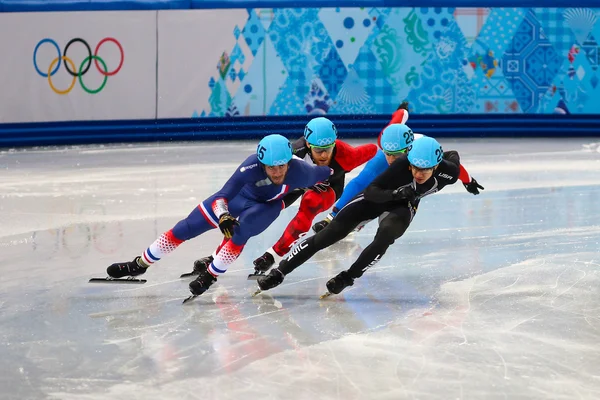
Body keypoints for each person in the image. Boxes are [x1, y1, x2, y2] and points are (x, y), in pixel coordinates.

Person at [103, 134, 333, 297]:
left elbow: (331, 169)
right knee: (184, 228)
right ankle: (141, 263)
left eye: (281, 166)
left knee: (242, 231)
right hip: (237, 198)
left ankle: (211, 275)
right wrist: (223, 216)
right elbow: (222, 196)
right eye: (271, 167)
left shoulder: (304, 172)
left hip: (266, 206)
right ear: (261, 163)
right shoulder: (249, 167)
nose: (277, 172)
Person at [255, 136, 480, 297]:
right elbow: (372, 190)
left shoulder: (447, 171)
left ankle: (347, 277)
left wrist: (469, 182)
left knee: (386, 236)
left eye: (425, 170)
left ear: (437, 166)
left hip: (403, 206)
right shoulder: (402, 165)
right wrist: (396, 192)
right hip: (380, 197)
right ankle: (279, 272)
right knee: (327, 236)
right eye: (415, 168)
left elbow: (458, 169)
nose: (418, 174)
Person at [247, 116, 378, 275]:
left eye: (328, 149)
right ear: (308, 144)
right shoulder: (294, 153)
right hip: (297, 183)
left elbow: (374, 149)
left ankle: (272, 255)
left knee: (309, 204)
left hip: (328, 187)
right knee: (265, 207)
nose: (323, 155)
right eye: (318, 150)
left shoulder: (348, 156)